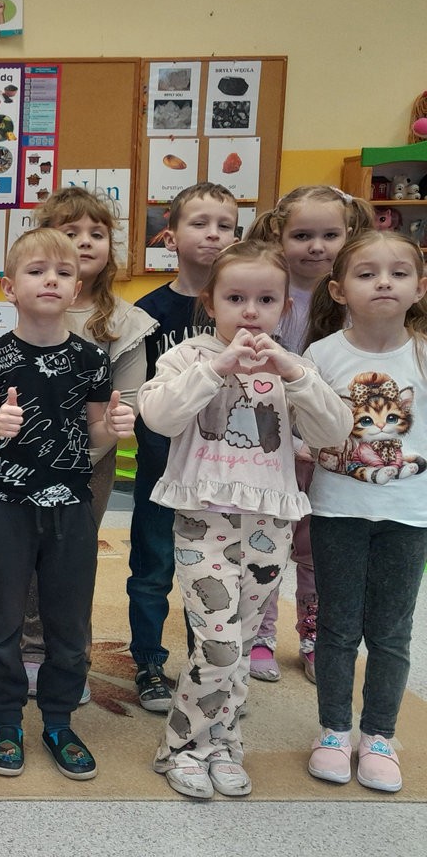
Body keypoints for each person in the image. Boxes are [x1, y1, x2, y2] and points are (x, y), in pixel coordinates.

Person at [138, 239, 349, 799]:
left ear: (284, 307)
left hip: (268, 525)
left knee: (241, 643)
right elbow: (158, 417)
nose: (250, 312)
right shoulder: (189, 357)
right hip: (204, 524)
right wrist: (216, 368)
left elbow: (333, 432)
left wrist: (295, 375)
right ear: (211, 302)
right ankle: (182, 747)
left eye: (265, 300)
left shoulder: (294, 367)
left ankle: (224, 742)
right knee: (219, 644)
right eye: (235, 298)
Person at [0, 228, 134, 784]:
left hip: (71, 509)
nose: (51, 280)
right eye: (37, 271)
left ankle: (59, 721)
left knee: (69, 620)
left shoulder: (90, 358)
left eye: (63, 273)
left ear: (77, 288)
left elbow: (95, 431)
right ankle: (6, 719)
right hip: (5, 507)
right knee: (2, 620)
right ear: (9, 287)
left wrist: (116, 425)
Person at [20, 188, 159, 701]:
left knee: (72, 559)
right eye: (70, 231)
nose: (84, 242)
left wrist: (74, 456)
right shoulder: (27, 309)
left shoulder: (124, 322)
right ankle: (29, 649)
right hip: (23, 461)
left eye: (96, 233)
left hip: (89, 465)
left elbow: (129, 402)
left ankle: (69, 656)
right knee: (25, 557)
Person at [304, 231, 427, 794]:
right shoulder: (322, 355)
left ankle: (379, 735)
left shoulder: (422, 353)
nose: (384, 282)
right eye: (367, 273)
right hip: (339, 510)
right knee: (337, 625)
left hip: (409, 514)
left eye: (399, 273)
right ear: (339, 290)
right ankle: (333, 730)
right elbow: (305, 428)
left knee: (391, 630)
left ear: (419, 288)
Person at [241, 186, 373, 682]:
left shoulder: (351, 301)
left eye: (330, 235)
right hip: (267, 444)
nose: (316, 246)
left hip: (327, 447)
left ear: (349, 234)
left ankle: (314, 633)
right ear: (279, 233)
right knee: (265, 541)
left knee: (315, 549)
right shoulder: (263, 291)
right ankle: (259, 634)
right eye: (302, 235)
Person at [128, 182, 239, 712]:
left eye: (225, 225)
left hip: (219, 472)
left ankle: (207, 664)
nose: (213, 234)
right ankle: (148, 661)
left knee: (214, 572)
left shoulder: (240, 308)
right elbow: (139, 394)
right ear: (169, 236)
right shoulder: (147, 313)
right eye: (200, 223)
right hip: (160, 466)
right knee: (153, 568)